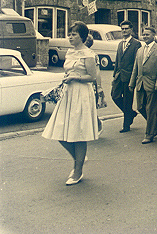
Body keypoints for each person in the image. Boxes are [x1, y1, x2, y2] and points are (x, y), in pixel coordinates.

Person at [42, 21, 98, 185]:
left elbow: (92, 77)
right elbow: (67, 70)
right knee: (59, 130)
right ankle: (79, 158)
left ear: (82, 36)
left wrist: (75, 77)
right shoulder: (69, 52)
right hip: (68, 93)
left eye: (74, 34)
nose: (70, 37)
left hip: (81, 94)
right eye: (70, 34)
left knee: (79, 133)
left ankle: (78, 170)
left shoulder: (88, 54)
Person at [129, 27, 157, 144]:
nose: (145, 37)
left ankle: (149, 134)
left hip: (153, 83)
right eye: (143, 35)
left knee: (151, 109)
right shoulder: (140, 50)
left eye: (147, 35)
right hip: (140, 82)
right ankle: (156, 122)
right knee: (140, 107)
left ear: (154, 35)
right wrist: (132, 83)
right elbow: (136, 67)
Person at [111, 21, 141, 133]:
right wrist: (114, 75)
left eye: (126, 29)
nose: (124, 31)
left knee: (128, 101)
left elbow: (136, 62)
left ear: (131, 29)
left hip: (129, 76)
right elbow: (118, 59)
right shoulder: (120, 44)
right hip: (119, 75)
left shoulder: (136, 44)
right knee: (114, 96)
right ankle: (131, 113)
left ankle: (126, 125)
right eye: (122, 29)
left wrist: (134, 78)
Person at [85, 34, 106, 135]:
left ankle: (98, 125)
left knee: (89, 107)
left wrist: (99, 87)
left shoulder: (93, 55)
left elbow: (97, 72)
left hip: (90, 84)